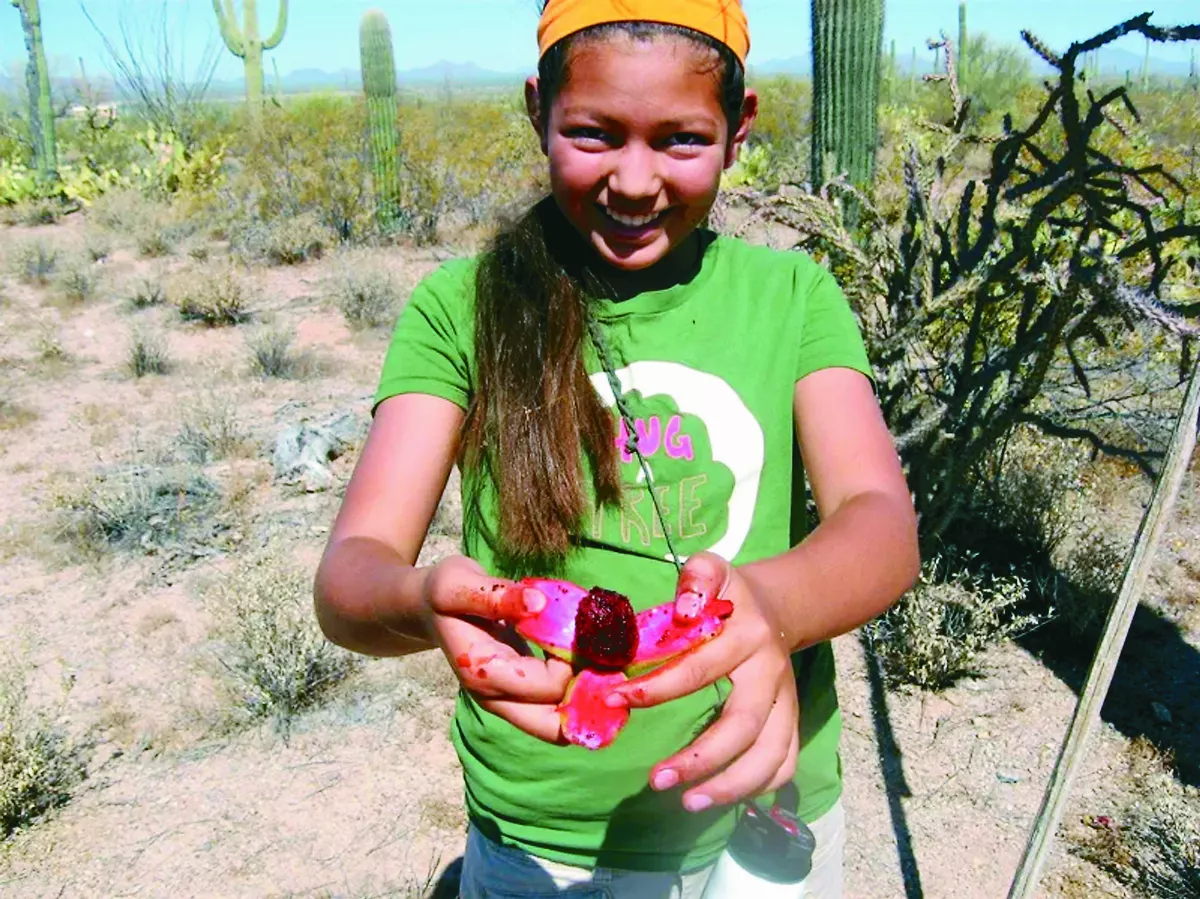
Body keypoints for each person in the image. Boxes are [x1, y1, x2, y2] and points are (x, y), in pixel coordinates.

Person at [314, 0, 920, 896]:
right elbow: (349, 581)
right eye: (593, 134)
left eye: (681, 140)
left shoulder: (794, 297)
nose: (634, 183)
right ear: (538, 113)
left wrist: (771, 605)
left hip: (762, 792)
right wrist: (420, 597)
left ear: (739, 128)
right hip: (545, 827)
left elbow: (881, 525)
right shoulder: (460, 307)